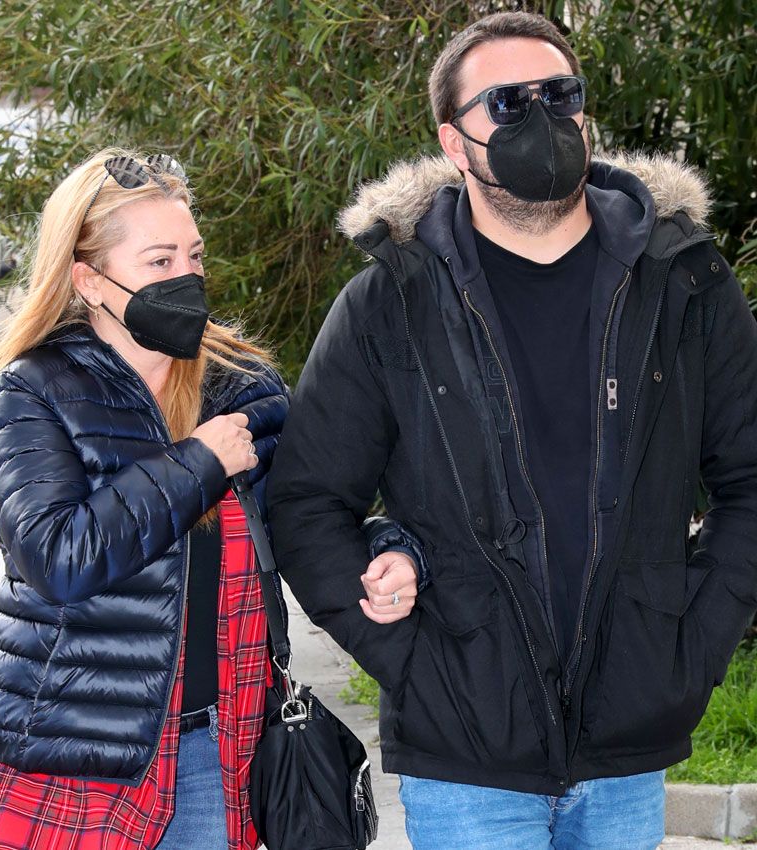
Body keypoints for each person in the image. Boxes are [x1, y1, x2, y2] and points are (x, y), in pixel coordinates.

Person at [268, 11, 757, 850]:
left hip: (627, 751)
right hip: (465, 763)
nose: (542, 119)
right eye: (506, 102)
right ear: (454, 144)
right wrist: (415, 663)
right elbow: (309, 502)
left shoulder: (684, 287)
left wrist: (692, 645)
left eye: (559, 94)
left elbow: (750, 482)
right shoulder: (393, 301)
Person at [0, 149, 419, 850]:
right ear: (90, 279)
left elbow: (306, 513)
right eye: (160, 262)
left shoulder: (243, 386)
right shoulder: (34, 389)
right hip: (76, 752)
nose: (188, 278)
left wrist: (390, 551)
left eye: (195, 257)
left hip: (215, 748)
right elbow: (58, 557)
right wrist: (198, 462)